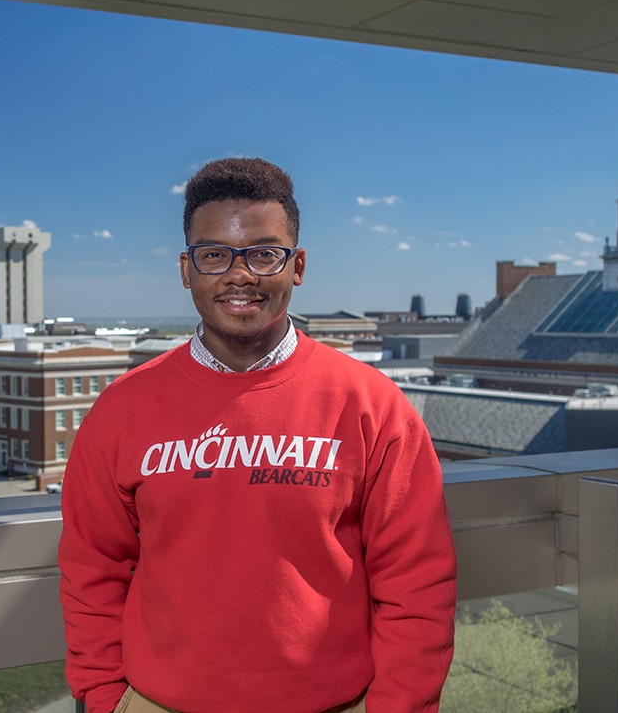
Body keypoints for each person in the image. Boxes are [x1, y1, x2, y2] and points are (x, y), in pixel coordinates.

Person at [59, 158, 457, 713]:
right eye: (214, 254)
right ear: (186, 269)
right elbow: (93, 569)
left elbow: (416, 585)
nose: (239, 274)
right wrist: (105, 700)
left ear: (296, 266)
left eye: (264, 253)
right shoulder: (121, 410)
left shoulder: (372, 407)